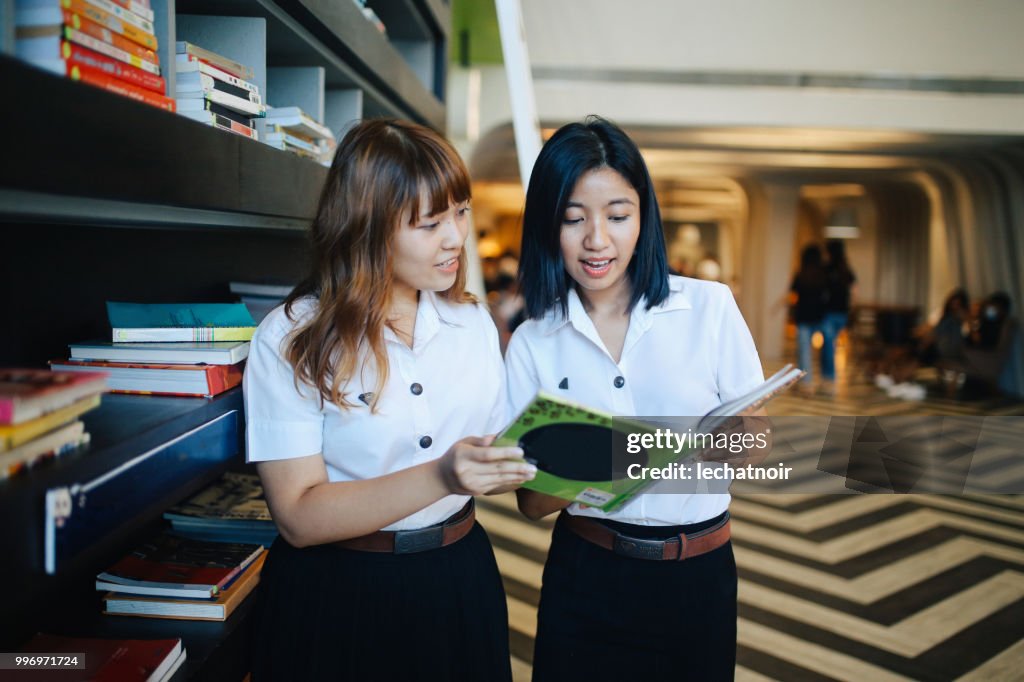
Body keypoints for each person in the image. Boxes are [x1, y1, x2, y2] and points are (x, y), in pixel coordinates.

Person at [242, 119, 535, 681]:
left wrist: (542, 456)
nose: (455, 237)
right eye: (429, 224)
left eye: (460, 212)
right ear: (368, 228)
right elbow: (298, 516)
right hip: (340, 592)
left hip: (459, 573)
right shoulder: (290, 338)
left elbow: (494, 449)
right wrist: (444, 475)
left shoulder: (471, 322)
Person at [505, 116, 766, 681]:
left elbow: (755, 440)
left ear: (643, 218)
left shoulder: (709, 308)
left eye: (618, 217)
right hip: (586, 575)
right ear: (549, 226)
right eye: (574, 220)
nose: (597, 240)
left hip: (698, 578)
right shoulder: (534, 341)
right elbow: (531, 501)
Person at [790, 244, 829, 393]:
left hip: (803, 317)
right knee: (823, 351)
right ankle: (822, 381)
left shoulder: (800, 274)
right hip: (819, 317)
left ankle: (806, 384)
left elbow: (793, 294)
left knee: (804, 351)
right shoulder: (823, 275)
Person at [822, 240, 856, 390]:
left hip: (829, 312)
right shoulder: (846, 269)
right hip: (842, 312)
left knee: (829, 346)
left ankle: (830, 377)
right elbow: (855, 291)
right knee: (831, 345)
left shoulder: (827, 269)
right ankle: (828, 377)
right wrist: (851, 308)